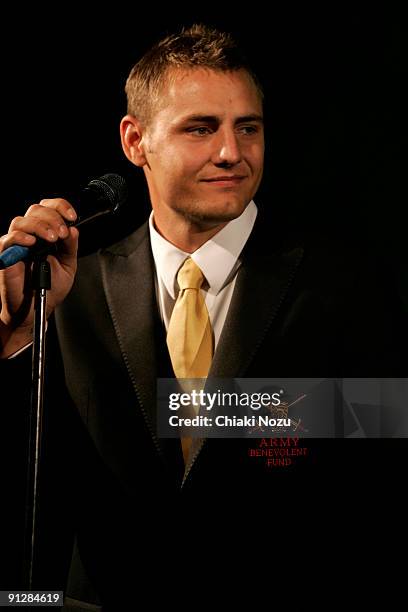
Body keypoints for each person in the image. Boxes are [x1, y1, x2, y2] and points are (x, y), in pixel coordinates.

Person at [0, 24, 406, 610]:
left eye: (248, 127)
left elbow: (384, 474)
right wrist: (13, 336)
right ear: (135, 141)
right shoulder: (67, 291)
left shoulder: (345, 284)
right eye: (200, 128)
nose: (231, 153)